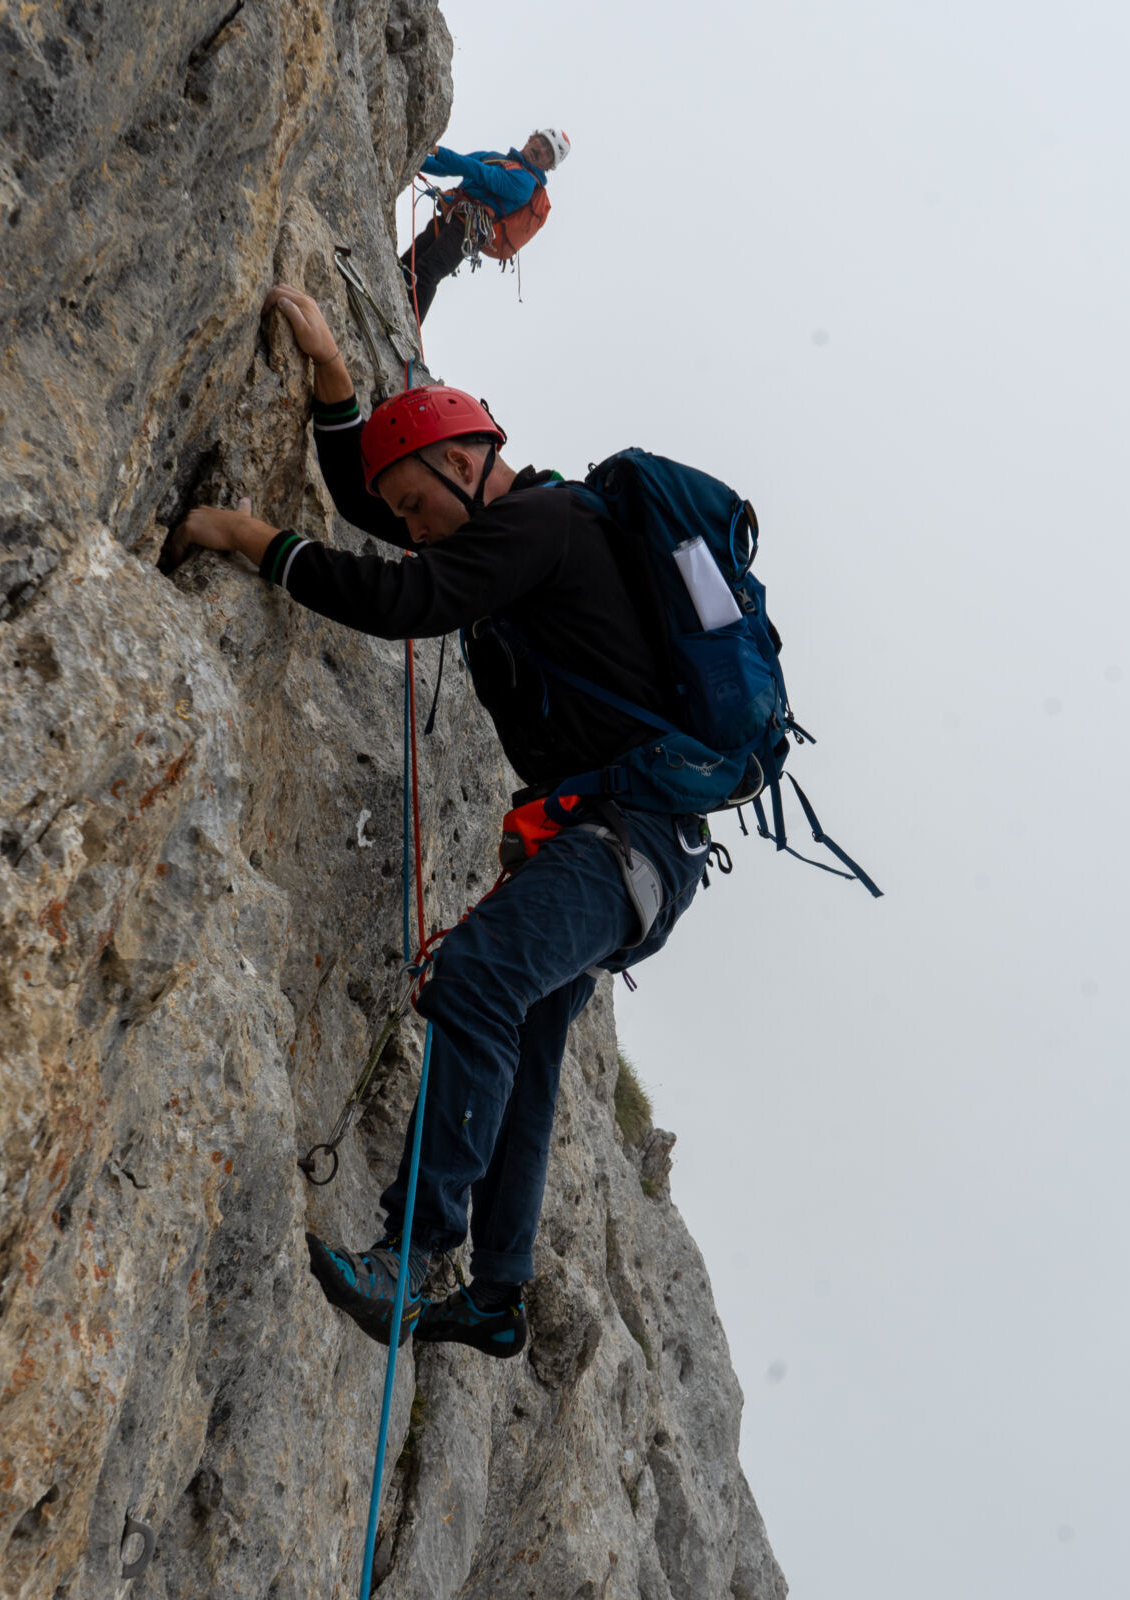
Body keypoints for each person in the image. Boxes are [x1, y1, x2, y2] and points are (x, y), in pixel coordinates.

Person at [172, 282, 709, 1355]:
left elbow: (403, 598)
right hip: (629, 849)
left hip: (622, 843)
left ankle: (414, 1255)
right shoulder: (513, 529)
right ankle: (497, 1297)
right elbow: (378, 514)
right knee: (529, 1037)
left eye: (421, 504)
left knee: (474, 977)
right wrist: (334, 384)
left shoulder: (544, 526)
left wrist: (246, 536)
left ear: (464, 463)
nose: (411, 531)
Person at [402, 127, 569, 316]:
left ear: (548, 167)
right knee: (409, 263)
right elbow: (447, 167)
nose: (541, 150)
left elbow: (480, 173)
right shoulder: (495, 158)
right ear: (532, 138)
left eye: (548, 154)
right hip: (452, 218)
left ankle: (409, 330)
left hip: (467, 232)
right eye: (543, 142)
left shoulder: (524, 183)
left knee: (426, 272)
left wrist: (440, 152)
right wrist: (410, 159)